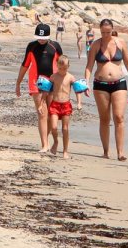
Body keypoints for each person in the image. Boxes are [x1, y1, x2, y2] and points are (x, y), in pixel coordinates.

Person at [84, 19, 128, 161]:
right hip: (100, 84)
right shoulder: (96, 45)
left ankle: (120, 152)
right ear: (99, 31)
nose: (106, 35)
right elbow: (89, 66)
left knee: (119, 117)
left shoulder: (120, 43)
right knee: (104, 118)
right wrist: (86, 83)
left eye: (108, 32)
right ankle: (106, 151)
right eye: (103, 32)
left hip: (119, 83)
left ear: (113, 29)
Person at [15, 21, 63, 152]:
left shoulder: (55, 46)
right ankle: (44, 145)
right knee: (42, 113)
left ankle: (47, 140)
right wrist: (18, 83)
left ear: (48, 37)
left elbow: (63, 64)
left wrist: (64, 82)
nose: (41, 40)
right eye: (39, 38)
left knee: (51, 114)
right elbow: (25, 65)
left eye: (44, 38)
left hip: (53, 82)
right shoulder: (31, 46)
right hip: (36, 82)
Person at [46, 56, 80, 158]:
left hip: (66, 105)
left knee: (65, 129)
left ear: (68, 67)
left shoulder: (70, 77)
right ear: (57, 66)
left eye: (64, 69)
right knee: (54, 127)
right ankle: (56, 142)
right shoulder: (53, 77)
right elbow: (46, 91)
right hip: (55, 104)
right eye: (60, 68)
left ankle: (65, 150)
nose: (62, 71)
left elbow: (77, 90)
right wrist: (42, 103)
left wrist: (79, 103)